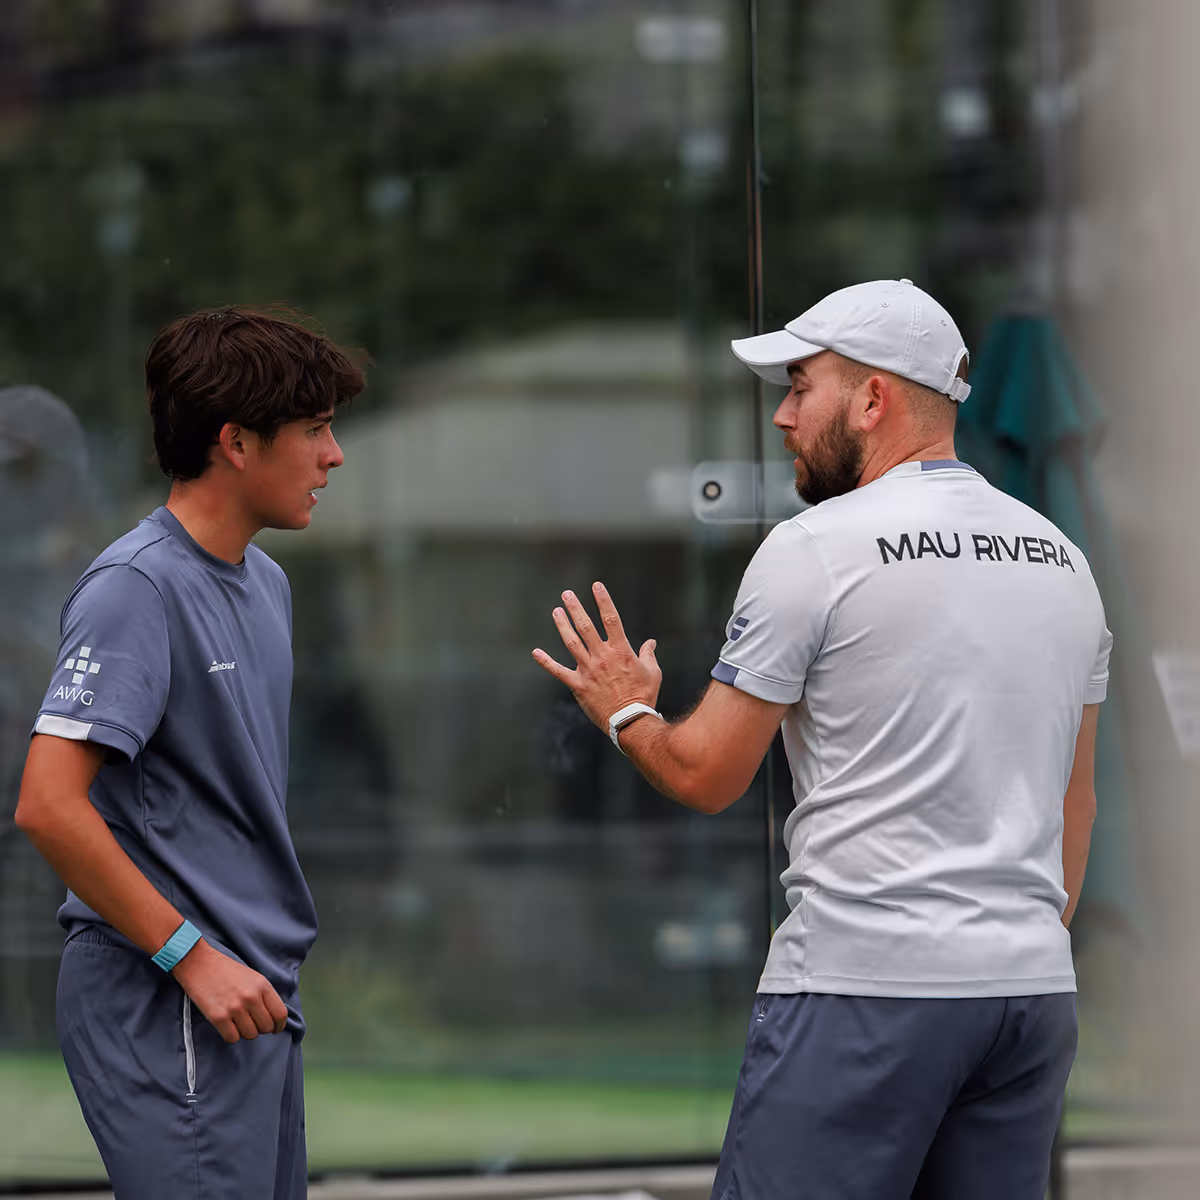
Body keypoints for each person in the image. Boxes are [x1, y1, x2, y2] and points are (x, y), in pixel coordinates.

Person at [533, 278, 1109, 1200]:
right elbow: (1076, 801)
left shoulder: (815, 547)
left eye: (802, 387)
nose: (783, 417)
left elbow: (708, 774)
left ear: (873, 399)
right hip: (1031, 996)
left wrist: (626, 711)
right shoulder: (1064, 560)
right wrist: (1009, 943)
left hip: (865, 988)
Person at [15, 307, 363, 1199]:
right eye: (314, 429)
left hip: (252, 997)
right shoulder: (133, 588)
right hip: (168, 997)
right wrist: (192, 957)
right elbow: (48, 805)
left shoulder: (268, 583)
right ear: (236, 443)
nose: (333, 456)